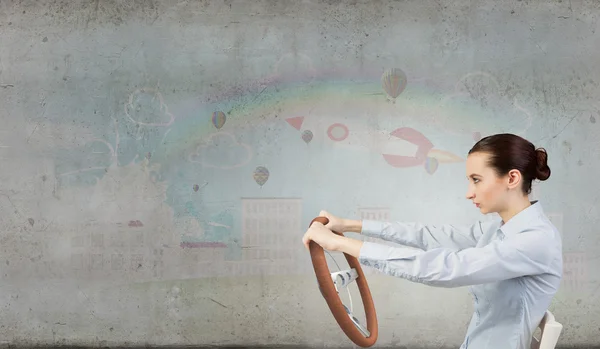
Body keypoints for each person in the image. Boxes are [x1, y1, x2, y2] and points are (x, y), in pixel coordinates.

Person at [302, 133, 562, 349]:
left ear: (512, 178)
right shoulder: (499, 229)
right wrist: (348, 225)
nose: (469, 193)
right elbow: (429, 235)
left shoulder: (534, 240)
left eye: (476, 180)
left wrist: (342, 245)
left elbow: (447, 268)